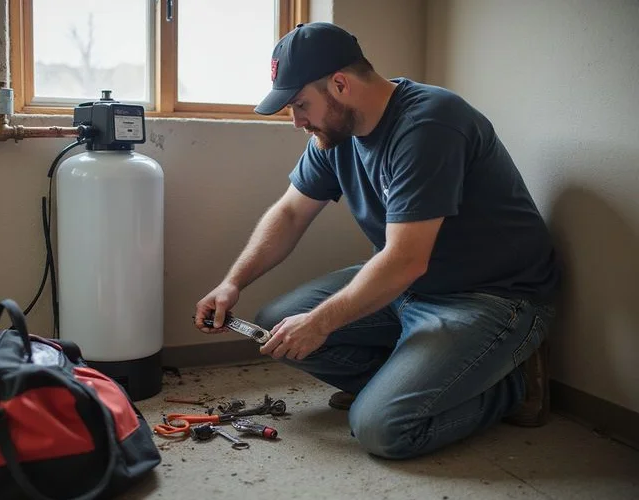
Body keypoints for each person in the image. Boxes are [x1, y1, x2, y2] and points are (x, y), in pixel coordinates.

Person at [193, 22, 561, 460]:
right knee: (279, 325)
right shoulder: (334, 134)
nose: (296, 121)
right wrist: (233, 283)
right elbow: (291, 212)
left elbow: (405, 260)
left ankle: (510, 388)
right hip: (411, 285)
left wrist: (322, 322)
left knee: (382, 429)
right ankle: (410, 382)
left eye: (299, 105)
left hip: (491, 297)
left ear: (340, 84)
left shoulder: (429, 124)